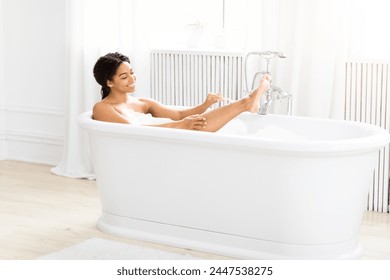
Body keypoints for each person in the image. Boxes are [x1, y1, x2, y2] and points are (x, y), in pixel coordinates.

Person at [92, 52, 271, 132]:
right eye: (124, 77)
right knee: (196, 126)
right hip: (150, 143)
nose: (132, 79)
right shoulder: (102, 108)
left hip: (166, 133)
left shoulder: (143, 103)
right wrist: (179, 126)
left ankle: (245, 103)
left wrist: (205, 105)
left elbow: (178, 114)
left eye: (132, 73)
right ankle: (245, 103)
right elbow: (133, 130)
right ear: (109, 82)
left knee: (196, 123)